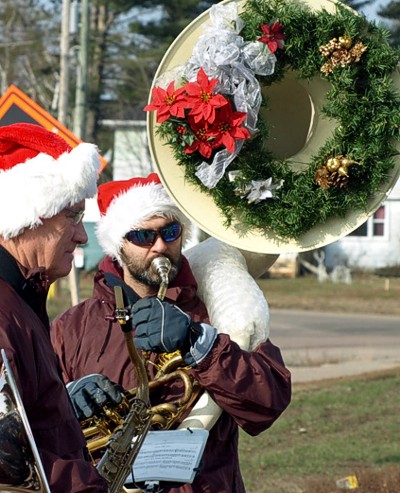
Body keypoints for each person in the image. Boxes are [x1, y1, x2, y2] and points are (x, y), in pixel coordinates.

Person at [51, 173, 292, 493]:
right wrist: (64, 402)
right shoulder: (71, 328)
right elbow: (31, 428)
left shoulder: (217, 310)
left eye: (171, 231)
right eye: (142, 237)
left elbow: (268, 403)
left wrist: (199, 342)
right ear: (117, 245)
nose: (161, 246)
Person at [0, 122, 108, 492]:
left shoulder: (22, 296)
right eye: (72, 216)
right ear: (30, 216)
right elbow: (10, 462)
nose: (81, 235)